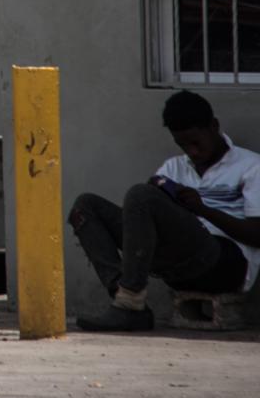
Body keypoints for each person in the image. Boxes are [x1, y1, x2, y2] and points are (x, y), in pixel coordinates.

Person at [71, 89, 260, 330]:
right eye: (182, 145)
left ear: (214, 126)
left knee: (141, 195)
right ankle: (126, 300)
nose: (192, 151)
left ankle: (129, 304)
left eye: (196, 142)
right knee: (86, 207)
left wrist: (202, 209)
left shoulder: (251, 167)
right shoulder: (173, 168)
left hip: (225, 263)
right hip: (177, 262)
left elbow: (257, 234)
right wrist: (163, 200)